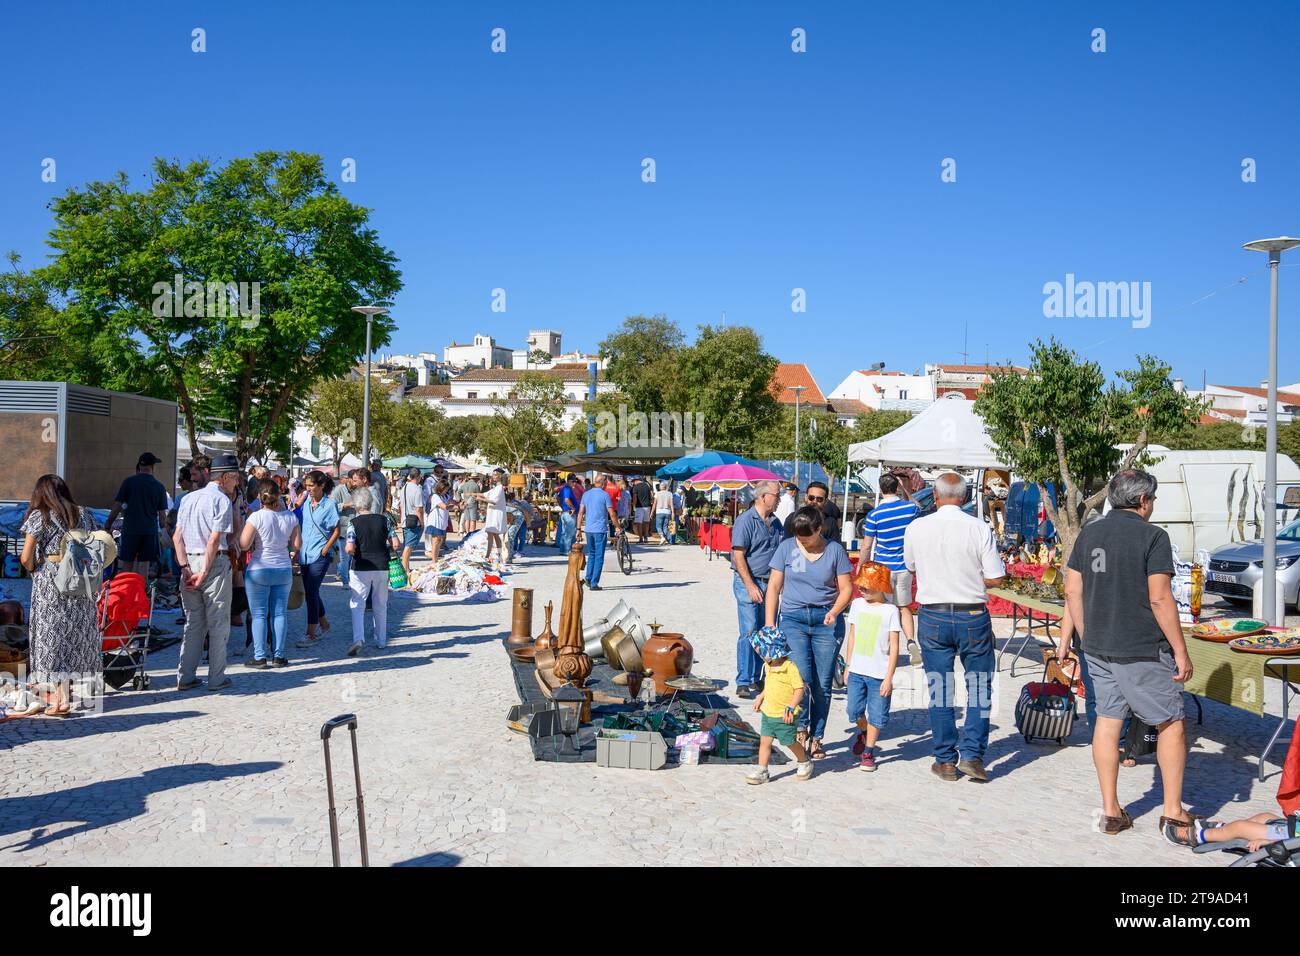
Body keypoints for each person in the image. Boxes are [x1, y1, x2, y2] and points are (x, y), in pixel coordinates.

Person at [1063, 469, 1196, 837]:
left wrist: (1089, 635)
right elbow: (1159, 597)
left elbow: (1072, 591)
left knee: (1107, 723)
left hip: (1099, 648)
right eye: (1151, 499)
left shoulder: (1089, 532)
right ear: (1142, 500)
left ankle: (1111, 811)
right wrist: (1181, 651)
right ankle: (1172, 810)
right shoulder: (1153, 536)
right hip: (1142, 648)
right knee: (1171, 722)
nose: (1152, 505)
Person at [903, 472, 1005, 783]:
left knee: (940, 688)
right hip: (971, 613)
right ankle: (972, 755)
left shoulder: (917, 527)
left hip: (933, 614)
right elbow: (996, 577)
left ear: (934, 496)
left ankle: (946, 760)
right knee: (978, 687)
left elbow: (909, 567)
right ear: (964, 498)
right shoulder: (978, 527)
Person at [764, 506, 853, 761]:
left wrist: (835, 611)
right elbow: (773, 587)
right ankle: (801, 729)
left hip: (826, 619)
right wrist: (770, 623)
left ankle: (817, 736)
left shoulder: (835, 550)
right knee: (800, 678)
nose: (801, 541)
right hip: (793, 619)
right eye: (798, 537)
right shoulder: (787, 548)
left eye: (807, 537)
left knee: (823, 682)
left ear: (819, 529)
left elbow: (846, 589)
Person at [18, 475, 104, 715]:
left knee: (52, 638)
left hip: (52, 582)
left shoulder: (40, 516)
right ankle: (66, 694)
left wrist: (37, 569)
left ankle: (61, 700)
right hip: (81, 581)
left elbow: (25, 557)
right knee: (75, 635)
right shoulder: (84, 514)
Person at [174, 454, 241, 691]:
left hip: (189, 561)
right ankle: (216, 678)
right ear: (224, 477)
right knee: (218, 623)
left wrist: (184, 568)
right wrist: (203, 571)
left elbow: (176, 537)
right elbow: (214, 540)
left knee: (193, 623)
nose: (237, 481)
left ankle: (186, 676)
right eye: (235, 477)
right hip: (212, 563)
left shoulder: (188, 499)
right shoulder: (221, 500)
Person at [730, 480, 786, 700]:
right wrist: (750, 585)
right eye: (776, 494)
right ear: (764, 497)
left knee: (767, 630)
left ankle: (758, 676)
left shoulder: (776, 523)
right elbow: (738, 556)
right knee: (749, 630)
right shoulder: (745, 521)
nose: (779, 498)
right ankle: (744, 680)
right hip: (749, 582)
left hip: (770, 582)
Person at [844, 561, 902, 772]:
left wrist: (889, 677)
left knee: (877, 714)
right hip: (858, 670)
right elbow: (852, 636)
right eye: (861, 584)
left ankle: (868, 751)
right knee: (853, 710)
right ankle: (864, 732)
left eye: (867, 586)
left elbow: (894, 646)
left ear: (880, 586)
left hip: (879, 673)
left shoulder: (890, 610)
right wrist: (848, 665)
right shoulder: (858, 605)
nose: (862, 589)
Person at [239, 478, 301, 668]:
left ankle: (260, 656)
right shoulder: (290, 517)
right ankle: (279, 656)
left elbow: (244, 544)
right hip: (282, 568)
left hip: (259, 568)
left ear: (259, 497)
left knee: (258, 614)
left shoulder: (255, 518)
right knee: (279, 613)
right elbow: (297, 545)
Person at [859, 473, 921, 661]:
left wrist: (861, 565)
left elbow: (867, 545)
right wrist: (907, 491)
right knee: (903, 607)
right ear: (897, 488)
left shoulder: (874, 514)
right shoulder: (909, 508)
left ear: (880, 489)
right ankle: (910, 640)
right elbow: (919, 506)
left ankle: (884, 647)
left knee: (881, 607)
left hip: (882, 567)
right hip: (903, 566)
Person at [745, 626, 812, 785]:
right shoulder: (768, 665)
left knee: (789, 742)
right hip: (768, 713)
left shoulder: (790, 667)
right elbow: (770, 685)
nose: (760, 654)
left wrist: (791, 706)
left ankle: (804, 761)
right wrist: (761, 696)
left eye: (761, 650)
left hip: (785, 715)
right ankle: (762, 770)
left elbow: (799, 689)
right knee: (764, 742)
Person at [345, 486, 400, 656]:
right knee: (381, 604)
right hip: (382, 566)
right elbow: (396, 543)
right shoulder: (384, 520)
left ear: (356, 505)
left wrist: (355, 551)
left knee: (357, 604)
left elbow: (349, 548)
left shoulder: (353, 523)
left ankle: (358, 639)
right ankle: (381, 640)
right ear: (370, 503)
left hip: (361, 567)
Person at [105, 452, 169, 578]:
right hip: (149, 531)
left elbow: (117, 506)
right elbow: (162, 517)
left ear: (139, 465)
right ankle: (141, 593)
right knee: (143, 566)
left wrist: (107, 525)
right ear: (153, 467)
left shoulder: (129, 482)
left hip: (130, 530)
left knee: (127, 565)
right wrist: (165, 528)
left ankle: (126, 593)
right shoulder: (159, 487)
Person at [296, 470, 339, 649]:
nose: (308, 489)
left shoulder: (330, 505)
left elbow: (337, 530)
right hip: (305, 553)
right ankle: (324, 624)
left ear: (321, 486)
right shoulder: (306, 502)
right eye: (307, 486)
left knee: (311, 593)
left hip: (320, 555)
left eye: (311, 485)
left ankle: (311, 633)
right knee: (310, 591)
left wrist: (326, 549)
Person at [576, 476, 618, 590]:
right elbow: (612, 513)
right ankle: (594, 583)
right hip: (600, 530)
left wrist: (578, 529)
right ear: (603, 483)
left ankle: (588, 578)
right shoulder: (605, 495)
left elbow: (580, 513)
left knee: (592, 554)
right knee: (599, 556)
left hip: (589, 530)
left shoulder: (586, 494)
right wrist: (617, 526)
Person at [397, 469, 426, 578]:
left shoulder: (405, 487)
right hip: (414, 521)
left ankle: (406, 567)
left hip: (405, 519)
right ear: (418, 477)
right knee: (408, 547)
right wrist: (422, 523)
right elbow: (419, 509)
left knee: (407, 545)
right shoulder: (417, 489)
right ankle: (404, 569)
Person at [478, 469, 509, 562]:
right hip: (492, 514)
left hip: (495, 515)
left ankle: (489, 556)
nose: (493, 476)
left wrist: (481, 498)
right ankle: (496, 556)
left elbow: (494, 501)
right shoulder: (496, 488)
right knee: (493, 535)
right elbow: (485, 494)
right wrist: (472, 494)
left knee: (493, 535)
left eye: (495, 475)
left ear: (499, 476)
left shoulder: (499, 488)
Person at [426, 479, 451, 562]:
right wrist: (455, 507)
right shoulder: (435, 496)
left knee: (439, 540)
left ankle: (435, 559)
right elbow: (444, 506)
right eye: (445, 489)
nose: (446, 490)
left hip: (442, 522)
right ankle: (434, 561)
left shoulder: (446, 496)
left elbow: (452, 501)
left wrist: (460, 504)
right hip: (435, 522)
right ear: (441, 488)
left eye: (447, 489)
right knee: (436, 540)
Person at [556, 474, 581, 552]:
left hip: (565, 513)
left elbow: (558, 498)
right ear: (569, 481)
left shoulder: (564, 489)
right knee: (569, 533)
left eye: (575, 481)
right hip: (569, 514)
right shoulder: (567, 489)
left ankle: (563, 550)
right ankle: (567, 550)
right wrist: (572, 508)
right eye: (573, 481)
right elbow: (566, 499)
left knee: (564, 532)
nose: (574, 483)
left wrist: (562, 507)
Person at [630, 474, 654, 543]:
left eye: (633, 481)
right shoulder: (647, 486)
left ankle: (641, 538)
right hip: (647, 506)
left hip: (639, 507)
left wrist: (634, 506)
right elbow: (651, 496)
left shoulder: (636, 487)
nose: (633, 482)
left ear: (636, 480)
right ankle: (646, 537)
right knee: (646, 522)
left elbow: (635, 498)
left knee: (639, 523)